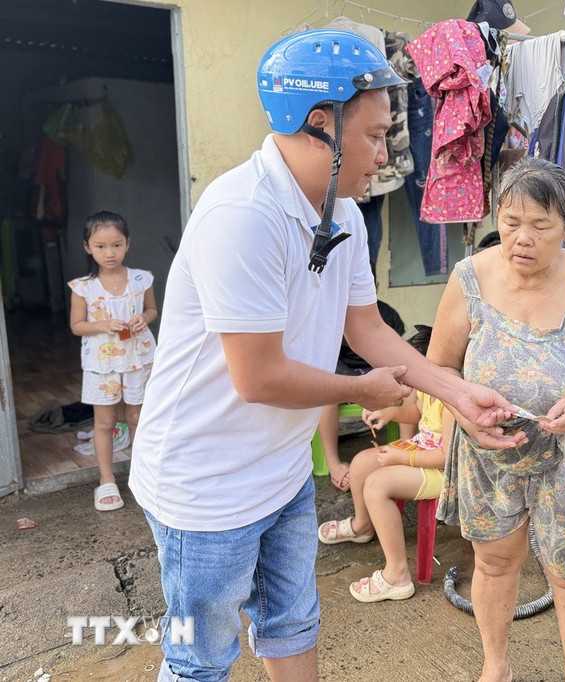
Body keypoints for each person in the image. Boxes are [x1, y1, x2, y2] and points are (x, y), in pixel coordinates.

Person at [129, 29, 517, 682]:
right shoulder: (242, 215)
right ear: (319, 126)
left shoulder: (344, 214)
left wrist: (456, 394)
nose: (386, 155)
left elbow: (366, 329)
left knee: (293, 624)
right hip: (205, 486)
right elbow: (258, 378)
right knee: (201, 659)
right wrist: (362, 391)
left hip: (279, 473)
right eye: (374, 136)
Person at [429, 156, 565, 682]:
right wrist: (466, 414)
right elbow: (439, 368)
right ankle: (495, 666)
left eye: (541, 226)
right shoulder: (469, 279)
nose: (522, 238)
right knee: (494, 562)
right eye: (511, 222)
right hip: (490, 452)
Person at [319, 325, 449, 602]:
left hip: (443, 469)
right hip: (422, 450)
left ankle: (397, 575)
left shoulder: (451, 398)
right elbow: (417, 411)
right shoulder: (430, 387)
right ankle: (362, 525)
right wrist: (390, 413)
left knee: (377, 485)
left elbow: (447, 456)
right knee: (362, 463)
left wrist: (402, 458)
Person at [68, 210, 157, 512]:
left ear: (127, 244)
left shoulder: (141, 279)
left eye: (116, 245)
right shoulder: (83, 287)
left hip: (138, 358)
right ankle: (106, 479)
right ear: (88, 247)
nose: (109, 253)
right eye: (100, 246)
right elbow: (77, 326)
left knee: (138, 418)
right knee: (105, 423)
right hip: (101, 364)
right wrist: (102, 325)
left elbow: (152, 310)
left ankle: (143, 475)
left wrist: (144, 318)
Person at [318, 290, 407, 491]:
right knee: (326, 392)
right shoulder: (330, 314)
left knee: (406, 383)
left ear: (375, 286)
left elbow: (396, 352)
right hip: (342, 371)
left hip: (375, 369)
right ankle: (333, 463)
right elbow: (324, 355)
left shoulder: (387, 313)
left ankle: (405, 448)